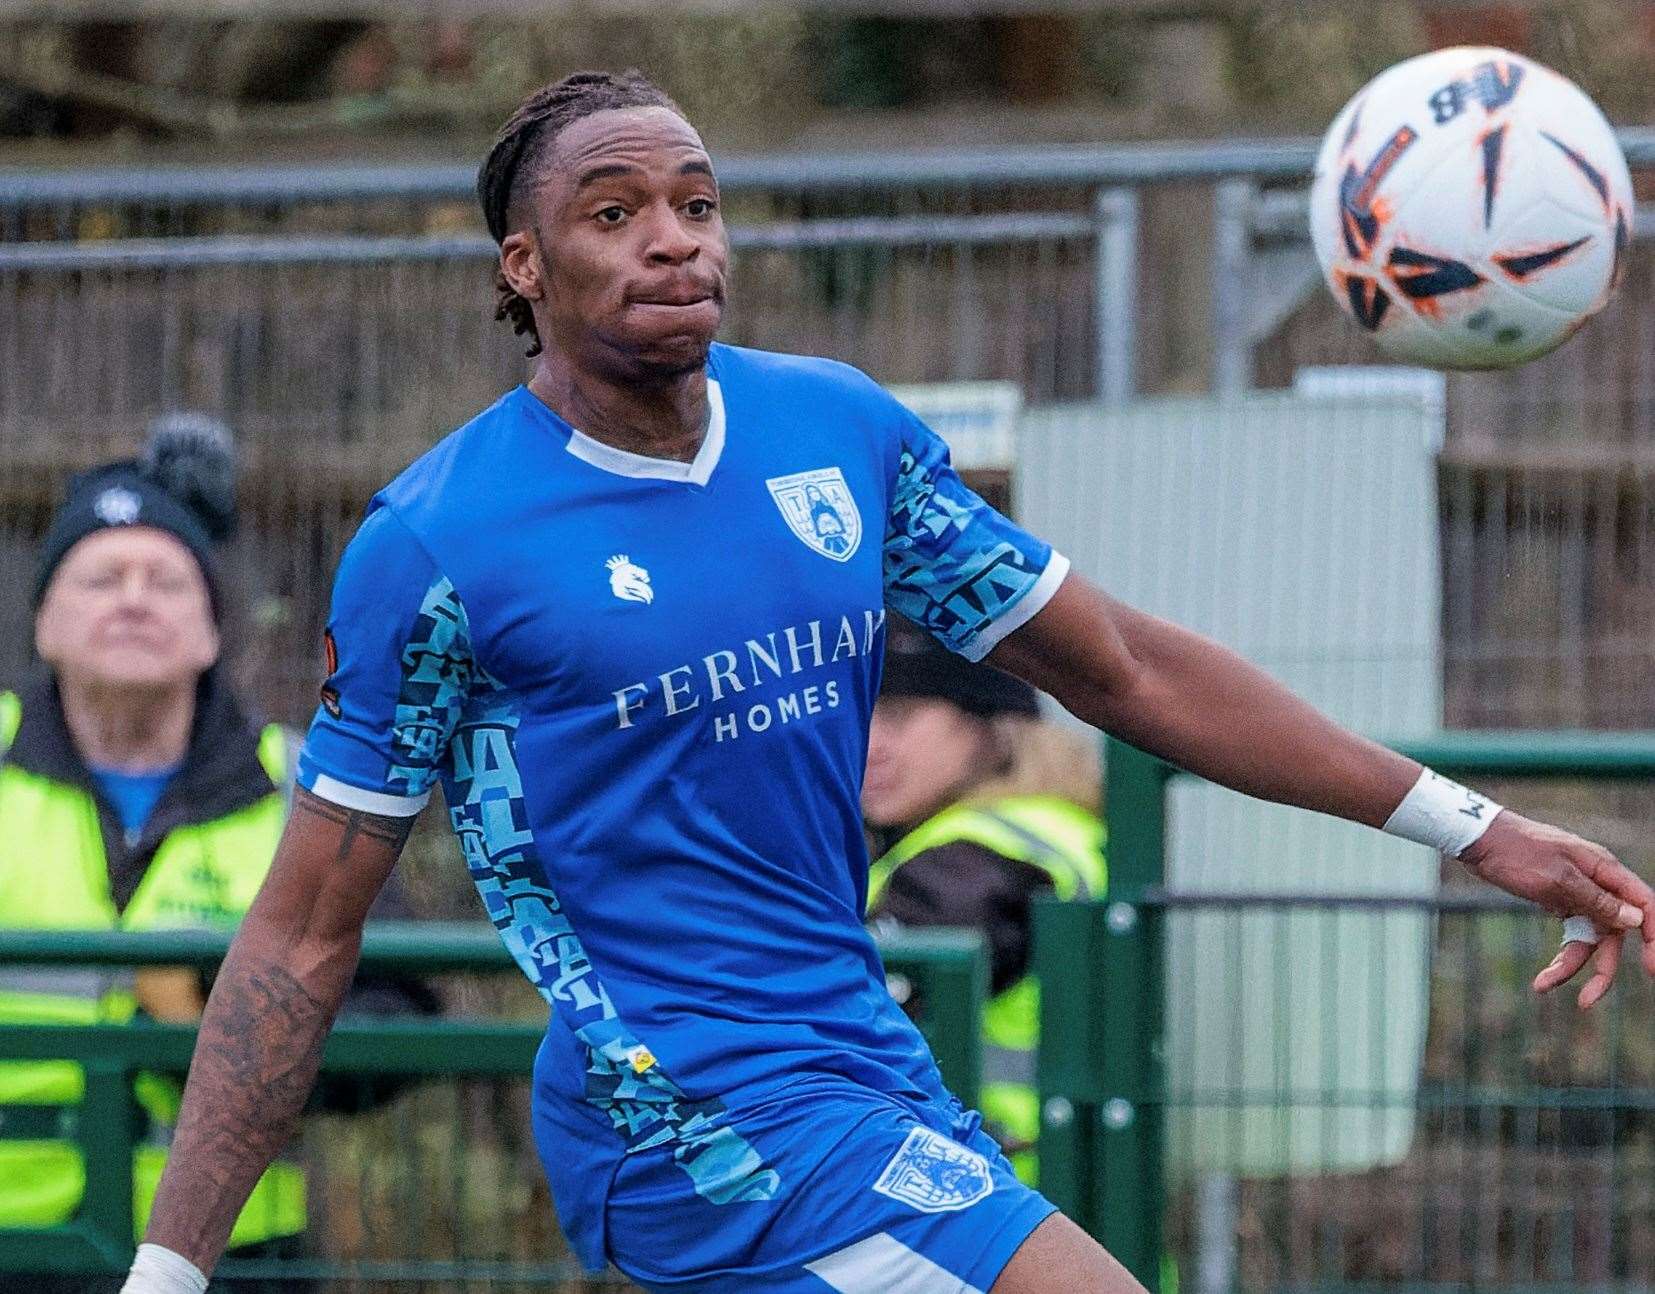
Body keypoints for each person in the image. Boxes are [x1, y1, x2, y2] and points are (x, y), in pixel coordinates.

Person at [122, 70, 1655, 1294]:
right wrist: (170, 1267)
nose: (674, 237)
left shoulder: (835, 432)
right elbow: (304, 929)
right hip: (695, 1121)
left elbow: (1124, 669)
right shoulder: (437, 540)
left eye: (696, 201)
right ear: (523, 267)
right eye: (613, 211)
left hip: (868, 1067)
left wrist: (1469, 828)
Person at [0, 415, 306, 1258]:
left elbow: (396, 1015)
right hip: (16, 1244)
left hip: (233, 1251)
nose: (134, 598)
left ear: (211, 630)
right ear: (43, 625)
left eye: (166, 581)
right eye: (102, 578)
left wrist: (210, 1017)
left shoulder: (304, 791)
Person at [864, 616, 1105, 1185]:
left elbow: (861, 1001)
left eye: (898, 716)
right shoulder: (1056, 827)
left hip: (983, 1205)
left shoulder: (977, 856)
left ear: (993, 726)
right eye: (860, 716)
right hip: (1055, 1199)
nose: (869, 745)